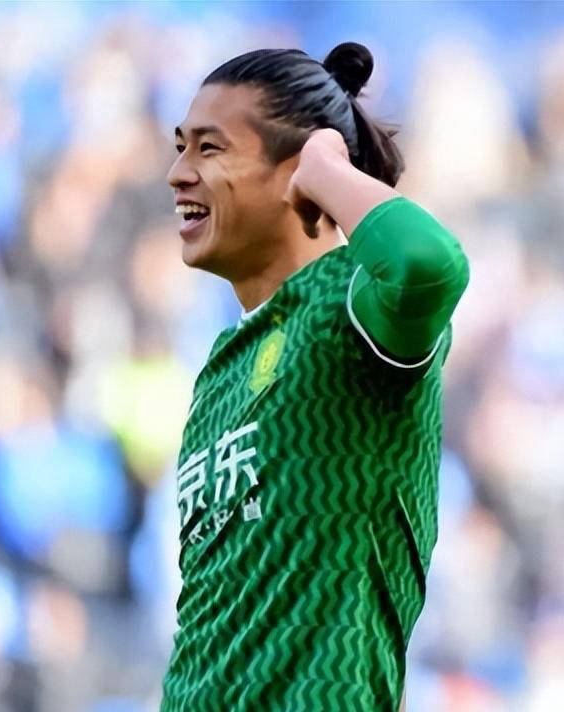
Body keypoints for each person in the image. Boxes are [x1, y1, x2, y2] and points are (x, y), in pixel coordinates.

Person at [161, 42, 469, 711]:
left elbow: (429, 265)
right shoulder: (219, 370)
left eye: (209, 149)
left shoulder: (353, 306)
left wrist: (329, 169)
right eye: (180, 148)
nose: (178, 173)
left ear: (295, 171)